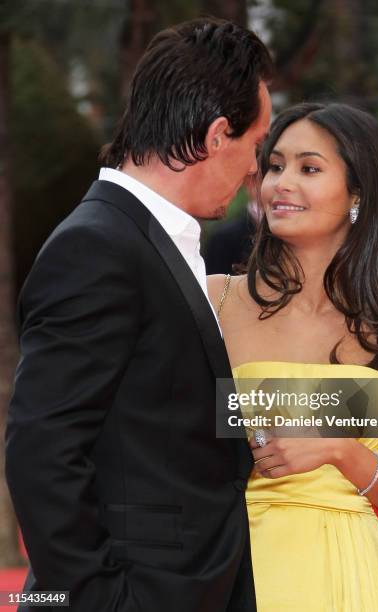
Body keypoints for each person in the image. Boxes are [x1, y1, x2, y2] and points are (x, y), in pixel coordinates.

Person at [5, 18, 272, 612]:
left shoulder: (156, 241)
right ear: (215, 135)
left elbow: (172, 411)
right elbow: (41, 449)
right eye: (257, 146)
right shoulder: (98, 245)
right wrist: (99, 599)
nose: (257, 169)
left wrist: (355, 415)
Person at [208, 102, 378, 611]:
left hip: (356, 576)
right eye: (275, 165)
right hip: (233, 570)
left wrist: (343, 452)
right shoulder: (212, 302)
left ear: (357, 194)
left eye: (309, 168)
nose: (282, 182)